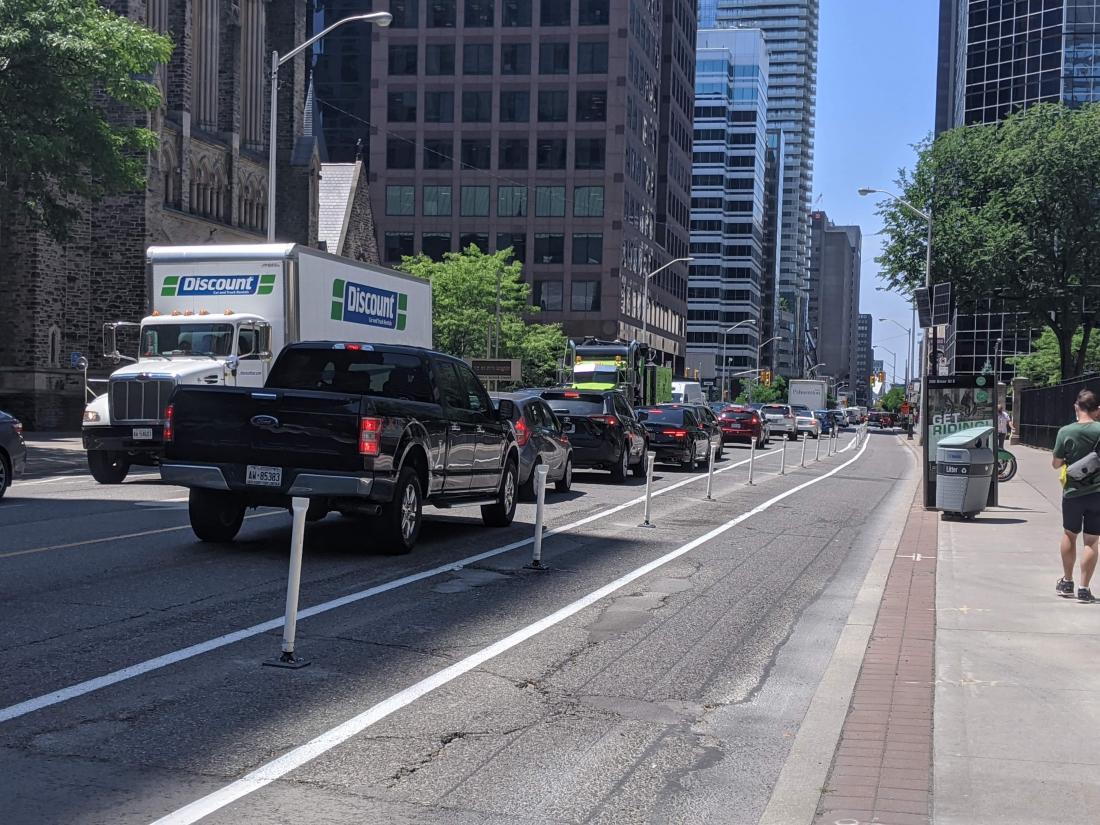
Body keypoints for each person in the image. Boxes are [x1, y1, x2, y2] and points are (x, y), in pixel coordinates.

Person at [1052, 389, 1100, 602]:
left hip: (1072, 492)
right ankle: (1084, 588)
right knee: (1091, 541)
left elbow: (1056, 464)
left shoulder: (1065, 431)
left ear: (1076, 407)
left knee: (1069, 534)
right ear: (1097, 410)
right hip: (1098, 493)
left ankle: (1067, 581)